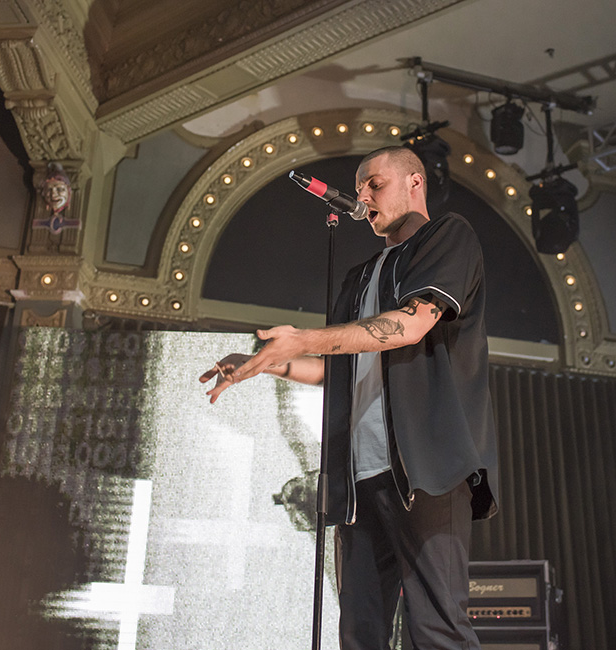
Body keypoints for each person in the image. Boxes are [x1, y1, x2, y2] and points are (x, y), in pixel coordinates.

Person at [200, 146, 498, 650]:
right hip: (358, 481)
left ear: (415, 183)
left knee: (437, 628)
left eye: (374, 185)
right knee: (359, 634)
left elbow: (409, 325)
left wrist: (305, 338)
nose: (361, 197)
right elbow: (338, 369)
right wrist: (265, 362)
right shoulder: (359, 276)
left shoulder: (447, 236)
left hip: (424, 469)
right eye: (358, 187)